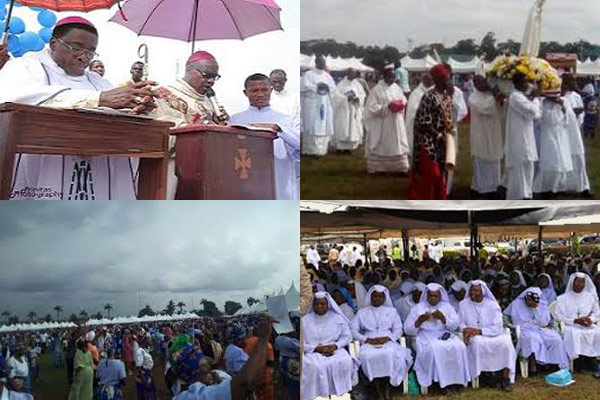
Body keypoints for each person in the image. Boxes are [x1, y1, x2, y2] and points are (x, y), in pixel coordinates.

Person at [0, 16, 156, 200]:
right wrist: (97, 99)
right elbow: (15, 97)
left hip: (96, 170)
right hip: (43, 170)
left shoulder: (99, 81)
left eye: (91, 51)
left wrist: (137, 108)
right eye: (76, 47)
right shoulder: (26, 66)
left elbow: (115, 108)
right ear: (54, 43)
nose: (84, 56)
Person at [229, 73, 300, 200]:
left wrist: (278, 130)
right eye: (254, 90)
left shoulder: (287, 120)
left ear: (271, 90)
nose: (260, 94)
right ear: (246, 93)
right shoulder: (235, 120)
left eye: (264, 90)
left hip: (279, 175)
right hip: (247, 174)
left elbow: (299, 145)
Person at [173, 316, 276, 400]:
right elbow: (245, 383)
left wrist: (222, 382)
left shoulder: (215, 378)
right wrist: (263, 338)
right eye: (194, 353)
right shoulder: (194, 396)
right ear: (187, 366)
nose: (200, 352)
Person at [404, 283, 471, 395]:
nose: (433, 298)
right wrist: (419, 322)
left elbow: (455, 325)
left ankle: (455, 382)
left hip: (444, 333)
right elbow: (407, 329)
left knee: (459, 346)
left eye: (436, 296)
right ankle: (440, 383)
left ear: (440, 296)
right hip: (424, 335)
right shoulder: (418, 308)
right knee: (436, 349)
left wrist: (443, 319)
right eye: (431, 296)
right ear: (427, 296)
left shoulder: (447, 307)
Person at [351, 285, 413, 400]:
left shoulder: (392, 311)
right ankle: (378, 389)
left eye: (380, 297)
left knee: (391, 355)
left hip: (388, 340)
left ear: (384, 299)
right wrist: (366, 339)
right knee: (366, 356)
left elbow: (399, 329)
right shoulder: (362, 312)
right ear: (370, 297)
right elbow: (353, 330)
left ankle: (387, 389)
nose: (377, 299)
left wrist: (388, 338)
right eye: (375, 296)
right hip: (368, 342)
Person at [458, 280, 516, 391]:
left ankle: (505, 378)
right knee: (478, 343)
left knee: (507, 342)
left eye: (476, 291)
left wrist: (480, 331)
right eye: (471, 290)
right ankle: (481, 374)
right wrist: (466, 329)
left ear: (483, 292)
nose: (472, 293)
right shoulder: (463, 304)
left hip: (491, 334)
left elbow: (498, 326)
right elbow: (459, 323)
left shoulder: (492, 305)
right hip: (474, 336)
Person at [408, 64, 454, 199]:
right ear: (438, 80)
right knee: (432, 174)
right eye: (446, 79)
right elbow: (423, 122)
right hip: (428, 142)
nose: (449, 82)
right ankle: (424, 202)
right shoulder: (428, 96)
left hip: (441, 142)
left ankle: (439, 201)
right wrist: (438, 135)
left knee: (441, 173)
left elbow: (448, 118)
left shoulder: (446, 96)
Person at [302, 292, 356, 400]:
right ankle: (318, 396)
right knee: (313, 366)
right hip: (312, 353)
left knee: (345, 361)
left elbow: (347, 336)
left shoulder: (337, 318)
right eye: (317, 304)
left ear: (328, 305)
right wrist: (315, 348)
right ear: (313, 305)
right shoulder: (304, 320)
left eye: (322, 304)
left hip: (335, 350)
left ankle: (340, 395)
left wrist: (335, 346)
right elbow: (301, 343)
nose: (319, 306)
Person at [504, 287, 569, 372]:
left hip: (540, 328)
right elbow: (516, 321)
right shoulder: (516, 304)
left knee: (555, 339)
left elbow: (544, 322)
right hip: (524, 330)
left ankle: (554, 364)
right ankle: (533, 364)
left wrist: (536, 308)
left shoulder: (542, 304)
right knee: (533, 339)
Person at [363, 67, 410, 174]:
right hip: (383, 123)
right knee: (383, 145)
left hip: (396, 121)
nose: (392, 79)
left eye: (394, 77)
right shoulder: (376, 90)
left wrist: (401, 104)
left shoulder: (397, 88)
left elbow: (403, 99)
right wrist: (387, 107)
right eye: (390, 76)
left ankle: (400, 167)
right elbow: (371, 107)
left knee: (397, 143)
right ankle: (379, 168)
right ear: (384, 76)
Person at [504, 72, 542, 199]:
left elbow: (537, 115)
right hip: (518, 140)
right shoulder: (515, 97)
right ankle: (519, 197)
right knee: (519, 169)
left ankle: (527, 194)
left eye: (528, 82)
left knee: (528, 167)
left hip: (526, 138)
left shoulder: (521, 96)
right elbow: (532, 113)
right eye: (524, 82)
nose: (527, 85)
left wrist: (533, 99)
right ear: (517, 83)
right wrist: (536, 98)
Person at [468, 75, 504, 198]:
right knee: (482, 160)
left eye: (483, 81)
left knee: (494, 159)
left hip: (494, 131)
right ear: (475, 85)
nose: (482, 84)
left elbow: (501, 107)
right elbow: (486, 109)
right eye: (478, 82)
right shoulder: (473, 97)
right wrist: (495, 94)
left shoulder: (491, 95)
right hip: (481, 134)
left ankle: (495, 186)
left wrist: (497, 94)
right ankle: (483, 189)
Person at [553, 272, 600, 363]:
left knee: (597, 333)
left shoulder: (590, 297)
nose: (580, 285)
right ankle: (578, 361)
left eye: (582, 282)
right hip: (570, 325)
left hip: (587, 325)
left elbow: (597, 312)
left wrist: (590, 319)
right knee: (573, 334)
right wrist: (574, 320)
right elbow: (558, 316)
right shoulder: (562, 298)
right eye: (578, 282)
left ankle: (593, 360)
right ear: (572, 282)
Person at [532, 94, 573, 197]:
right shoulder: (542, 102)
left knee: (561, 161)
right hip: (547, 132)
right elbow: (541, 117)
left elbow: (569, 116)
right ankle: (544, 188)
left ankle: (558, 187)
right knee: (551, 160)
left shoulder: (563, 100)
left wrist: (562, 105)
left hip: (561, 132)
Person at [300, 55, 336, 156]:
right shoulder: (309, 74)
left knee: (323, 126)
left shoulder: (327, 76)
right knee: (312, 125)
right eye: (321, 62)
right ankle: (310, 150)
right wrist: (317, 87)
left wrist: (327, 88)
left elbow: (333, 88)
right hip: (313, 103)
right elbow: (304, 86)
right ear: (316, 63)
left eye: (324, 62)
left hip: (324, 103)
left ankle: (322, 150)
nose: (323, 64)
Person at [562, 74, 591, 195]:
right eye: (572, 81)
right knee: (566, 157)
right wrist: (573, 114)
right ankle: (565, 186)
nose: (574, 83)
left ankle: (583, 186)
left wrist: (578, 120)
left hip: (575, 130)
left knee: (579, 156)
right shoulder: (561, 97)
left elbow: (582, 112)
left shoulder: (576, 96)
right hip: (564, 131)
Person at [332, 68, 366, 152]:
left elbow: (362, 95)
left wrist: (357, 98)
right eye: (350, 73)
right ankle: (340, 147)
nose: (352, 75)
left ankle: (349, 147)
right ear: (347, 74)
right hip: (344, 110)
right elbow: (336, 96)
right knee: (343, 127)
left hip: (354, 108)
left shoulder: (357, 84)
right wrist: (345, 98)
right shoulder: (341, 84)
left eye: (354, 73)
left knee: (352, 127)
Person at [405, 73, 433, 160]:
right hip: (418, 126)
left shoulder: (431, 91)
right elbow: (413, 110)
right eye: (429, 80)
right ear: (423, 80)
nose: (431, 82)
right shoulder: (416, 93)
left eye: (432, 80)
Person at [243, 327, 274, 400]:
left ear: (253, 333)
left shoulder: (246, 342)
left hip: (252, 374)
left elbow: (244, 359)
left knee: (257, 392)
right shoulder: (266, 343)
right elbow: (270, 361)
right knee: (268, 394)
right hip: (265, 374)